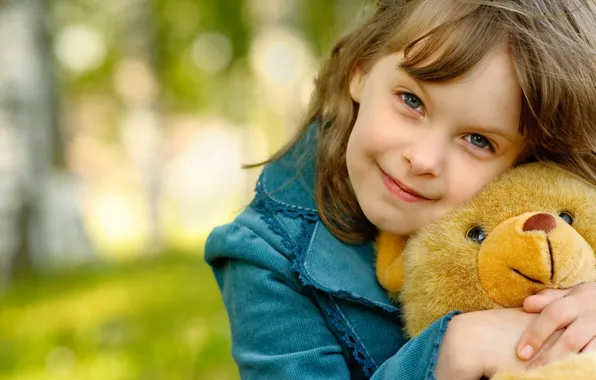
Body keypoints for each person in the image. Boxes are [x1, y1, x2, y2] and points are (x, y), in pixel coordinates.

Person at [204, 0, 596, 378]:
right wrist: (450, 353)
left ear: (526, 160)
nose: (424, 159)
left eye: (478, 140)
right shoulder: (266, 254)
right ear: (361, 71)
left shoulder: (554, 220)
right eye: (411, 101)